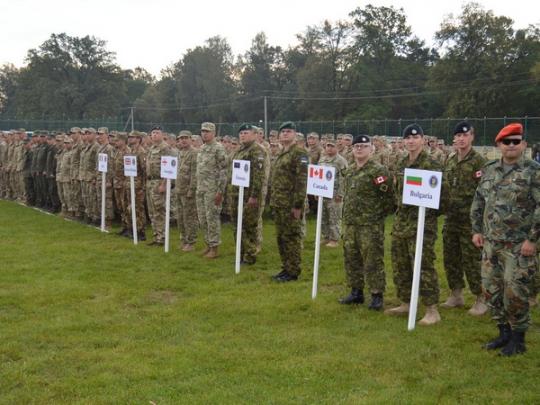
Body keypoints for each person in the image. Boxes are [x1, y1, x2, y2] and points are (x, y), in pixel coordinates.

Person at [471, 122, 539, 356]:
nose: (511, 146)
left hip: (519, 246)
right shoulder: (489, 169)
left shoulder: (533, 171)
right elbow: (479, 200)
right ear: (498, 145)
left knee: (515, 291)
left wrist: (533, 240)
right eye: (506, 142)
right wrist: (477, 230)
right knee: (491, 289)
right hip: (491, 243)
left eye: (516, 141)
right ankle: (503, 333)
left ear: (524, 145)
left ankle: (518, 339)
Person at [385, 124, 443, 325]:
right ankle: (406, 303)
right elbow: (396, 192)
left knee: (424, 264)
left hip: (422, 223)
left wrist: (428, 214)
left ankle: (432, 309)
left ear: (423, 139)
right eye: (407, 138)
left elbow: (443, 197)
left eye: (414, 137)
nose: (410, 141)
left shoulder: (431, 164)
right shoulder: (402, 162)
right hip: (402, 222)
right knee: (401, 263)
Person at [340, 135, 394, 309]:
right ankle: (356, 292)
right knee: (352, 257)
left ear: (371, 149)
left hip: (370, 225)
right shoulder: (350, 171)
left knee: (373, 260)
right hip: (350, 223)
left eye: (363, 146)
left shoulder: (378, 171)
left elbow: (389, 199)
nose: (359, 149)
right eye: (356, 146)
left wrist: (376, 216)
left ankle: (376, 295)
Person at [440, 121, 487, 315]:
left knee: (473, 260)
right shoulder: (450, 160)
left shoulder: (479, 162)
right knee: (451, 258)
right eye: (458, 135)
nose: (461, 138)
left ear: (472, 137)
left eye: (465, 135)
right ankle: (456, 294)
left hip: (471, 221)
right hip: (451, 218)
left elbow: (485, 193)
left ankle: (481, 298)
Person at [270, 121, 309, 282]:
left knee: (292, 237)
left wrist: (298, 205)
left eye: (288, 131)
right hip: (279, 203)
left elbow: (302, 180)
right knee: (281, 237)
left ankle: (293, 271)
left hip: (291, 204)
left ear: (294, 134)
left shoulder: (299, 153)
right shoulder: (281, 152)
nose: (285, 134)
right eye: (283, 132)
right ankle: (285, 267)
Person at [227, 124, 267, 265]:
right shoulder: (239, 150)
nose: (242, 135)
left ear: (255, 134)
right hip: (236, 194)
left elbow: (258, 176)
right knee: (237, 225)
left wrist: (254, 196)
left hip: (249, 196)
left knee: (248, 226)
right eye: (241, 133)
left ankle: (250, 255)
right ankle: (240, 253)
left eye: (246, 132)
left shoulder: (257, 151)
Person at [195, 122, 228, 258]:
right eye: (203, 131)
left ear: (213, 133)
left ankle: (214, 248)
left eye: (207, 131)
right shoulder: (202, 148)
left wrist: (220, 191)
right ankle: (208, 245)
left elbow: (224, 171)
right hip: (201, 188)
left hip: (212, 190)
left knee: (212, 218)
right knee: (203, 219)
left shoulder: (218, 148)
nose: (204, 133)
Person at [145, 126, 173, 246]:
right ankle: (156, 236)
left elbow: (169, 168)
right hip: (150, 182)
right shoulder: (152, 148)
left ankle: (162, 238)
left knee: (159, 211)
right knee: (152, 211)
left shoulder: (165, 148)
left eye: (157, 133)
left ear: (162, 135)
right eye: (153, 133)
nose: (155, 135)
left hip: (159, 182)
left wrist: (164, 184)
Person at [318, 138, 348, 247]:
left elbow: (344, 178)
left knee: (334, 217)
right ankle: (326, 237)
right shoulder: (322, 160)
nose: (329, 148)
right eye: (327, 146)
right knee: (323, 217)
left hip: (334, 195)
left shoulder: (340, 161)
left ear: (337, 148)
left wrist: (340, 194)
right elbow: (318, 176)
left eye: (332, 146)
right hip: (323, 193)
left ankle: (334, 239)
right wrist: (317, 192)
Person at [175, 130, 199, 251]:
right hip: (179, 189)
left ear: (190, 139)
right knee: (180, 217)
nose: (183, 140)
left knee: (189, 217)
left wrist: (191, 190)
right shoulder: (180, 152)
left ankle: (191, 242)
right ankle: (183, 239)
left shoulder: (194, 153)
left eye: (185, 138)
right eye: (181, 138)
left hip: (188, 191)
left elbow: (195, 174)